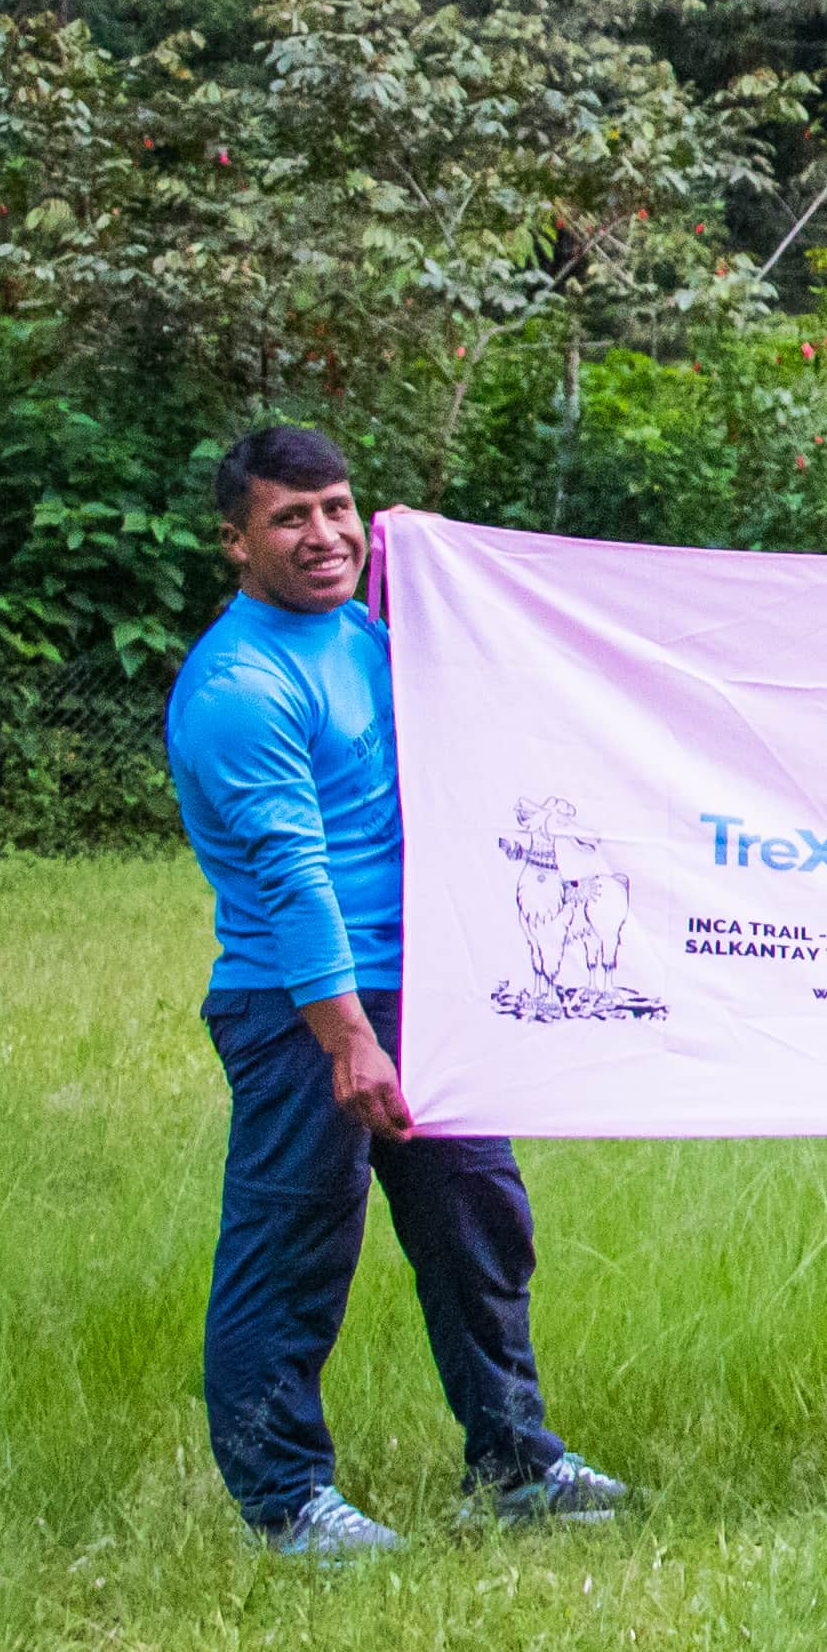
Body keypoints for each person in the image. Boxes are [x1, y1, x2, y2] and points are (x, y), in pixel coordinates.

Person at [163, 427, 621, 1558]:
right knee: (296, 1245)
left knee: (479, 1223)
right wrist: (348, 1037)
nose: (322, 534)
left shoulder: (365, 633)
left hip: (429, 992)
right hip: (302, 1007)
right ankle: (284, 1503)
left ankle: (513, 1461)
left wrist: (421, 561)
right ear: (236, 541)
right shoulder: (240, 685)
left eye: (338, 507)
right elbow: (291, 874)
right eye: (289, 516)